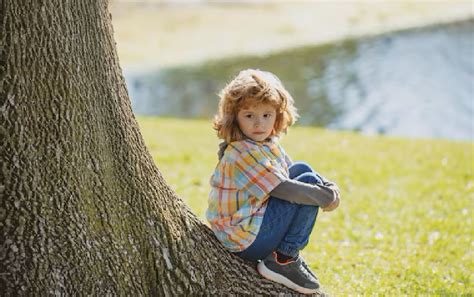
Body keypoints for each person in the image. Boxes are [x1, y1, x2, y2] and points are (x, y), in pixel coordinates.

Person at [206, 69, 341, 294]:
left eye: (266, 115)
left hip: (253, 222)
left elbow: (290, 170)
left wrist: (329, 187)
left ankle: (284, 255)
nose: (259, 123)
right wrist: (325, 197)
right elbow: (282, 188)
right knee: (305, 182)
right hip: (241, 238)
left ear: (277, 116)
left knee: (302, 170)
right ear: (235, 118)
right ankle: (283, 259)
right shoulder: (241, 152)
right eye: (249, 116)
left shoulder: (266, 143)